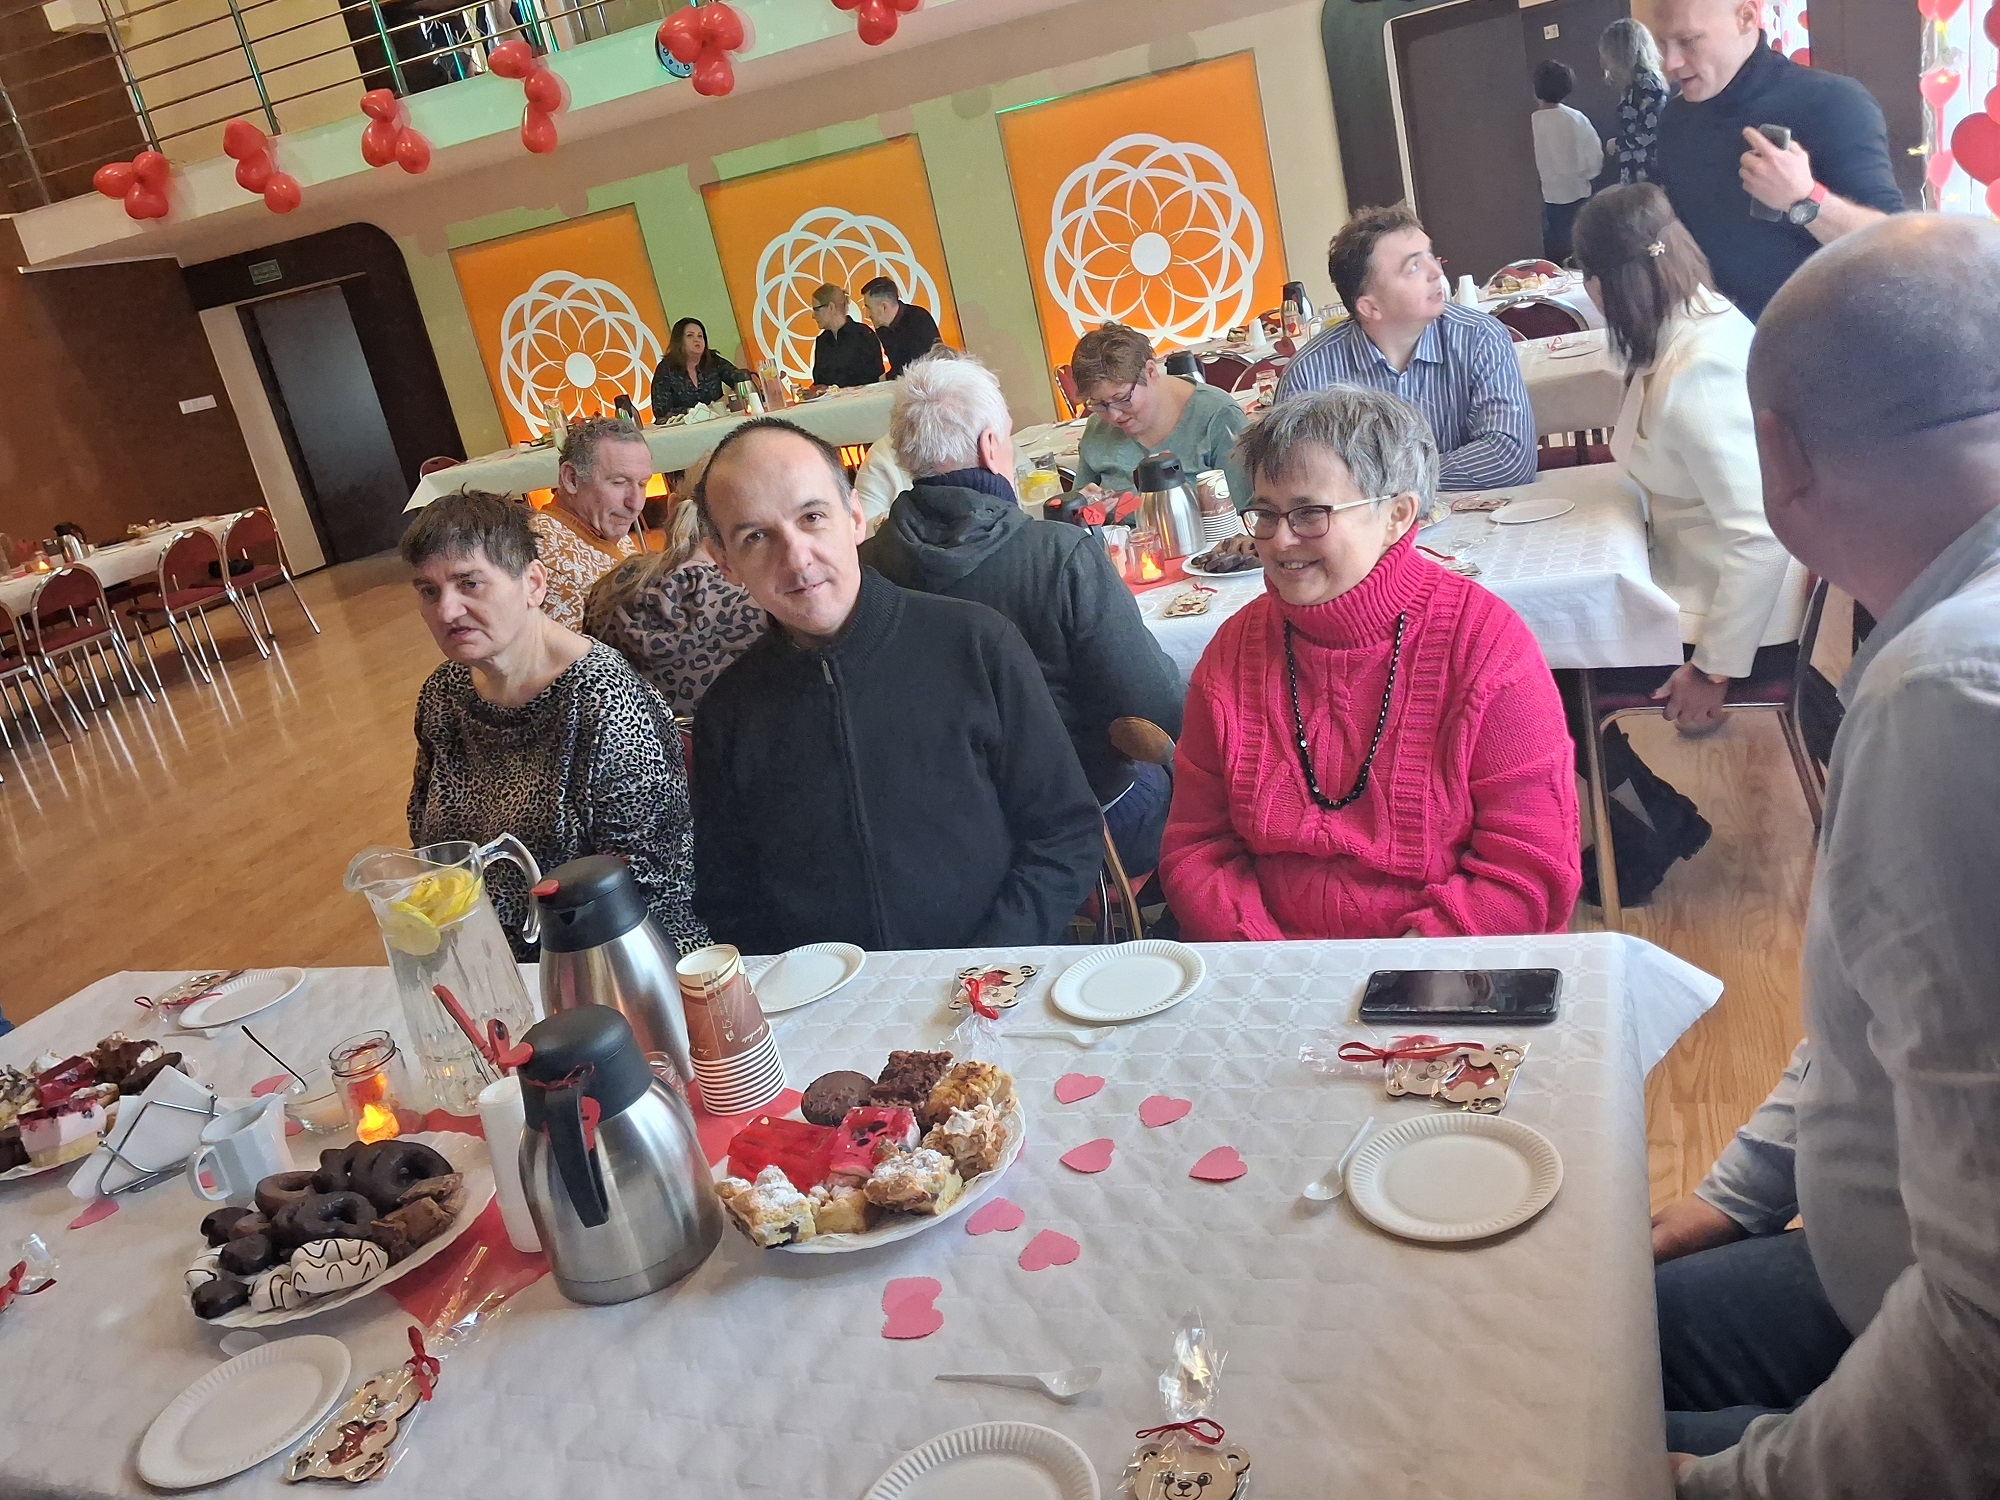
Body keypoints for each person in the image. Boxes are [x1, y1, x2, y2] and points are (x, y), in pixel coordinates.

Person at [1654, 215, 2000, 1499]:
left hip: (1940, 1356)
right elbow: (1891, 1011)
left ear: (1779, 459)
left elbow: (1987, 1325)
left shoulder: (1944, 692)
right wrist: (1738, 1191)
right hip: (1881, 1272)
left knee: (1505, 1405)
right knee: (1574, 1315)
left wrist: (1718, 1485)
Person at [1159, 387, 1580, 940]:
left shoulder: (1483, 644)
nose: (1279, 540)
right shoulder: (1235, 650)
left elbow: (1530, 868)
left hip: (1441, 965)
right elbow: (1197, 847)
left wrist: (1401, 969)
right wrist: (1268, 958)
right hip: (1268, 965)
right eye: (1265, 513)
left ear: (1397, 516)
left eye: (1309, 513)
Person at [690, 417, 1104, 954]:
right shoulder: (729, 713)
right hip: (828, 996)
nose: (796, 558)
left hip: (999, 973)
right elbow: (730, 900)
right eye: (756, 537)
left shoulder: (976, 645)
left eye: (812, 517)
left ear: (855, 517)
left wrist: (984, 963)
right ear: (725, 563)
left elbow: (1065, 833)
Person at [1567, 183, 1807, 905]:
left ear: (1608, 282)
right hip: (1696, 576)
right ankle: (1653, 819)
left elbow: (1761, 536)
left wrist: (1714, 670)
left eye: (1586, 275)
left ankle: (1637, 843)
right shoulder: (1686, 325)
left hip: (1732, 613)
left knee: (1542, 669)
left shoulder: (1699, 364)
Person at [860, 352, 1186, 875]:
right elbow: (1156, 709)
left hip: (943, 843)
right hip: (1083, 826)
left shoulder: (862, 571)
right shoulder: (1057, 555)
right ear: (991, 446)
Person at [401, 490, 705, 962]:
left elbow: (650, 886)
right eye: (428, 591)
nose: (446, 610)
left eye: (469, 584)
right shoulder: (444, 694)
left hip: (607, 959)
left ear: (533, 584)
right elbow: (431, 844)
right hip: (486, 954)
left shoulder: (604, 699)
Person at [1652, 0, 1904, 320]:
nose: (1670, 63)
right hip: (1714, 334)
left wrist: (1805, 199)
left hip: (1821, 336)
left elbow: (1896, 249)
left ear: (1746, 17)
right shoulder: (1675, 119)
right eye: (1663, 44)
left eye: (1688, 41)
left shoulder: (1831, 102)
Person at [1275, 207, 1537, 490]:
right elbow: (1293, 480)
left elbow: (1510, 458)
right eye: (1413, 267)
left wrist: (1382, 486)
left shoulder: (1480, 337)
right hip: (1362, 521)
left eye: (1430, 256)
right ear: (1370, 307)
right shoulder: (1310, 373)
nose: (1436, 272)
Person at [582, 488, 766, 719]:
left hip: (638, 738)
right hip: (736, 738)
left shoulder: (611, 589)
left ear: (672, 505)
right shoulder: (760, 603)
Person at [1069, 322, 1248, 507]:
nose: (1113, 415)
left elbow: (1246, 510)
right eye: (1098, 404)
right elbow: (1076, 508)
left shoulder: (1218, 417)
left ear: (1151, 372)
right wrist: (1084, 509)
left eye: (1122, 398)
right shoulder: (1097, 428)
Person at [526, 415, 651, 630]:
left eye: (642, 484)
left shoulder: (606, 526)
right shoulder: (544, 558)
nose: (636, 503)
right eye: (619, 483)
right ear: (572, 479)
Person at [1531, 59, 1603, 263]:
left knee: (1551, 263)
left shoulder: (1532, 122)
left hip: (1546, 202)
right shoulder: (1576, 119)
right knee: (1581, 259)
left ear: (1535, 89)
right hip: (1578, 198)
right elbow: (1595, 161)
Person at [1601, 17, 1669, 184]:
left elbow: (1650, 134)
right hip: (1635, 169)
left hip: (1647, 173)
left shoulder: (1647, 84)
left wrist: (1617, 143)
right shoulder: (1632, 84)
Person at [649, 317, 746, 419]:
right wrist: (697, 411)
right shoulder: (666, 368)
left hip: (717, 421)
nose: (697, 340)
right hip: (684, 426)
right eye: (690, 335)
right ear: (679, 341)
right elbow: (661, 411)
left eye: (700, 336)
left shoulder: (713, 361)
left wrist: (728, 398)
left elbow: (741, 380)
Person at [860, 277, 945, 380]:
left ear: (884, 307)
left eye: (868, 308)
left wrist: (884, 378)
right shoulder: (882, 328)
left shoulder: (919, 318)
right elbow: (897, 366)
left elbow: (919, 365)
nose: (867, 315)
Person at [809, 283, 885, 389]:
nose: (813, 316)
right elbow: (819, 382)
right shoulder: (821, 341)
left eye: (816, 309)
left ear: (831, 307)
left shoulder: (863, 335)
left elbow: (876, 379)